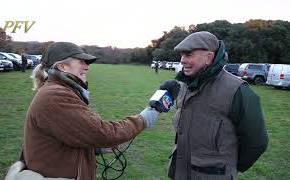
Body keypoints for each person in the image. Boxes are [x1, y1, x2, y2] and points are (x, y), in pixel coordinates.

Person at [20, 42, 162, 179]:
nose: (87, 67)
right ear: (62, 66)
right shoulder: (55, 96)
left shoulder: (58, 90)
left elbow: (65, 137)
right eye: (81, 62)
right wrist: (144, 118)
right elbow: (103, 133)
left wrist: (95, 149)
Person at [167, 31, 268, 180]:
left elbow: (256, 142)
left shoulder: (238, 91)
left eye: (188, 54)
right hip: (180, 172)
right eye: (181, 55)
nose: (182, 60)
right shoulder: (185, 84)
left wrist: (230, 166)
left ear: (209, 58)